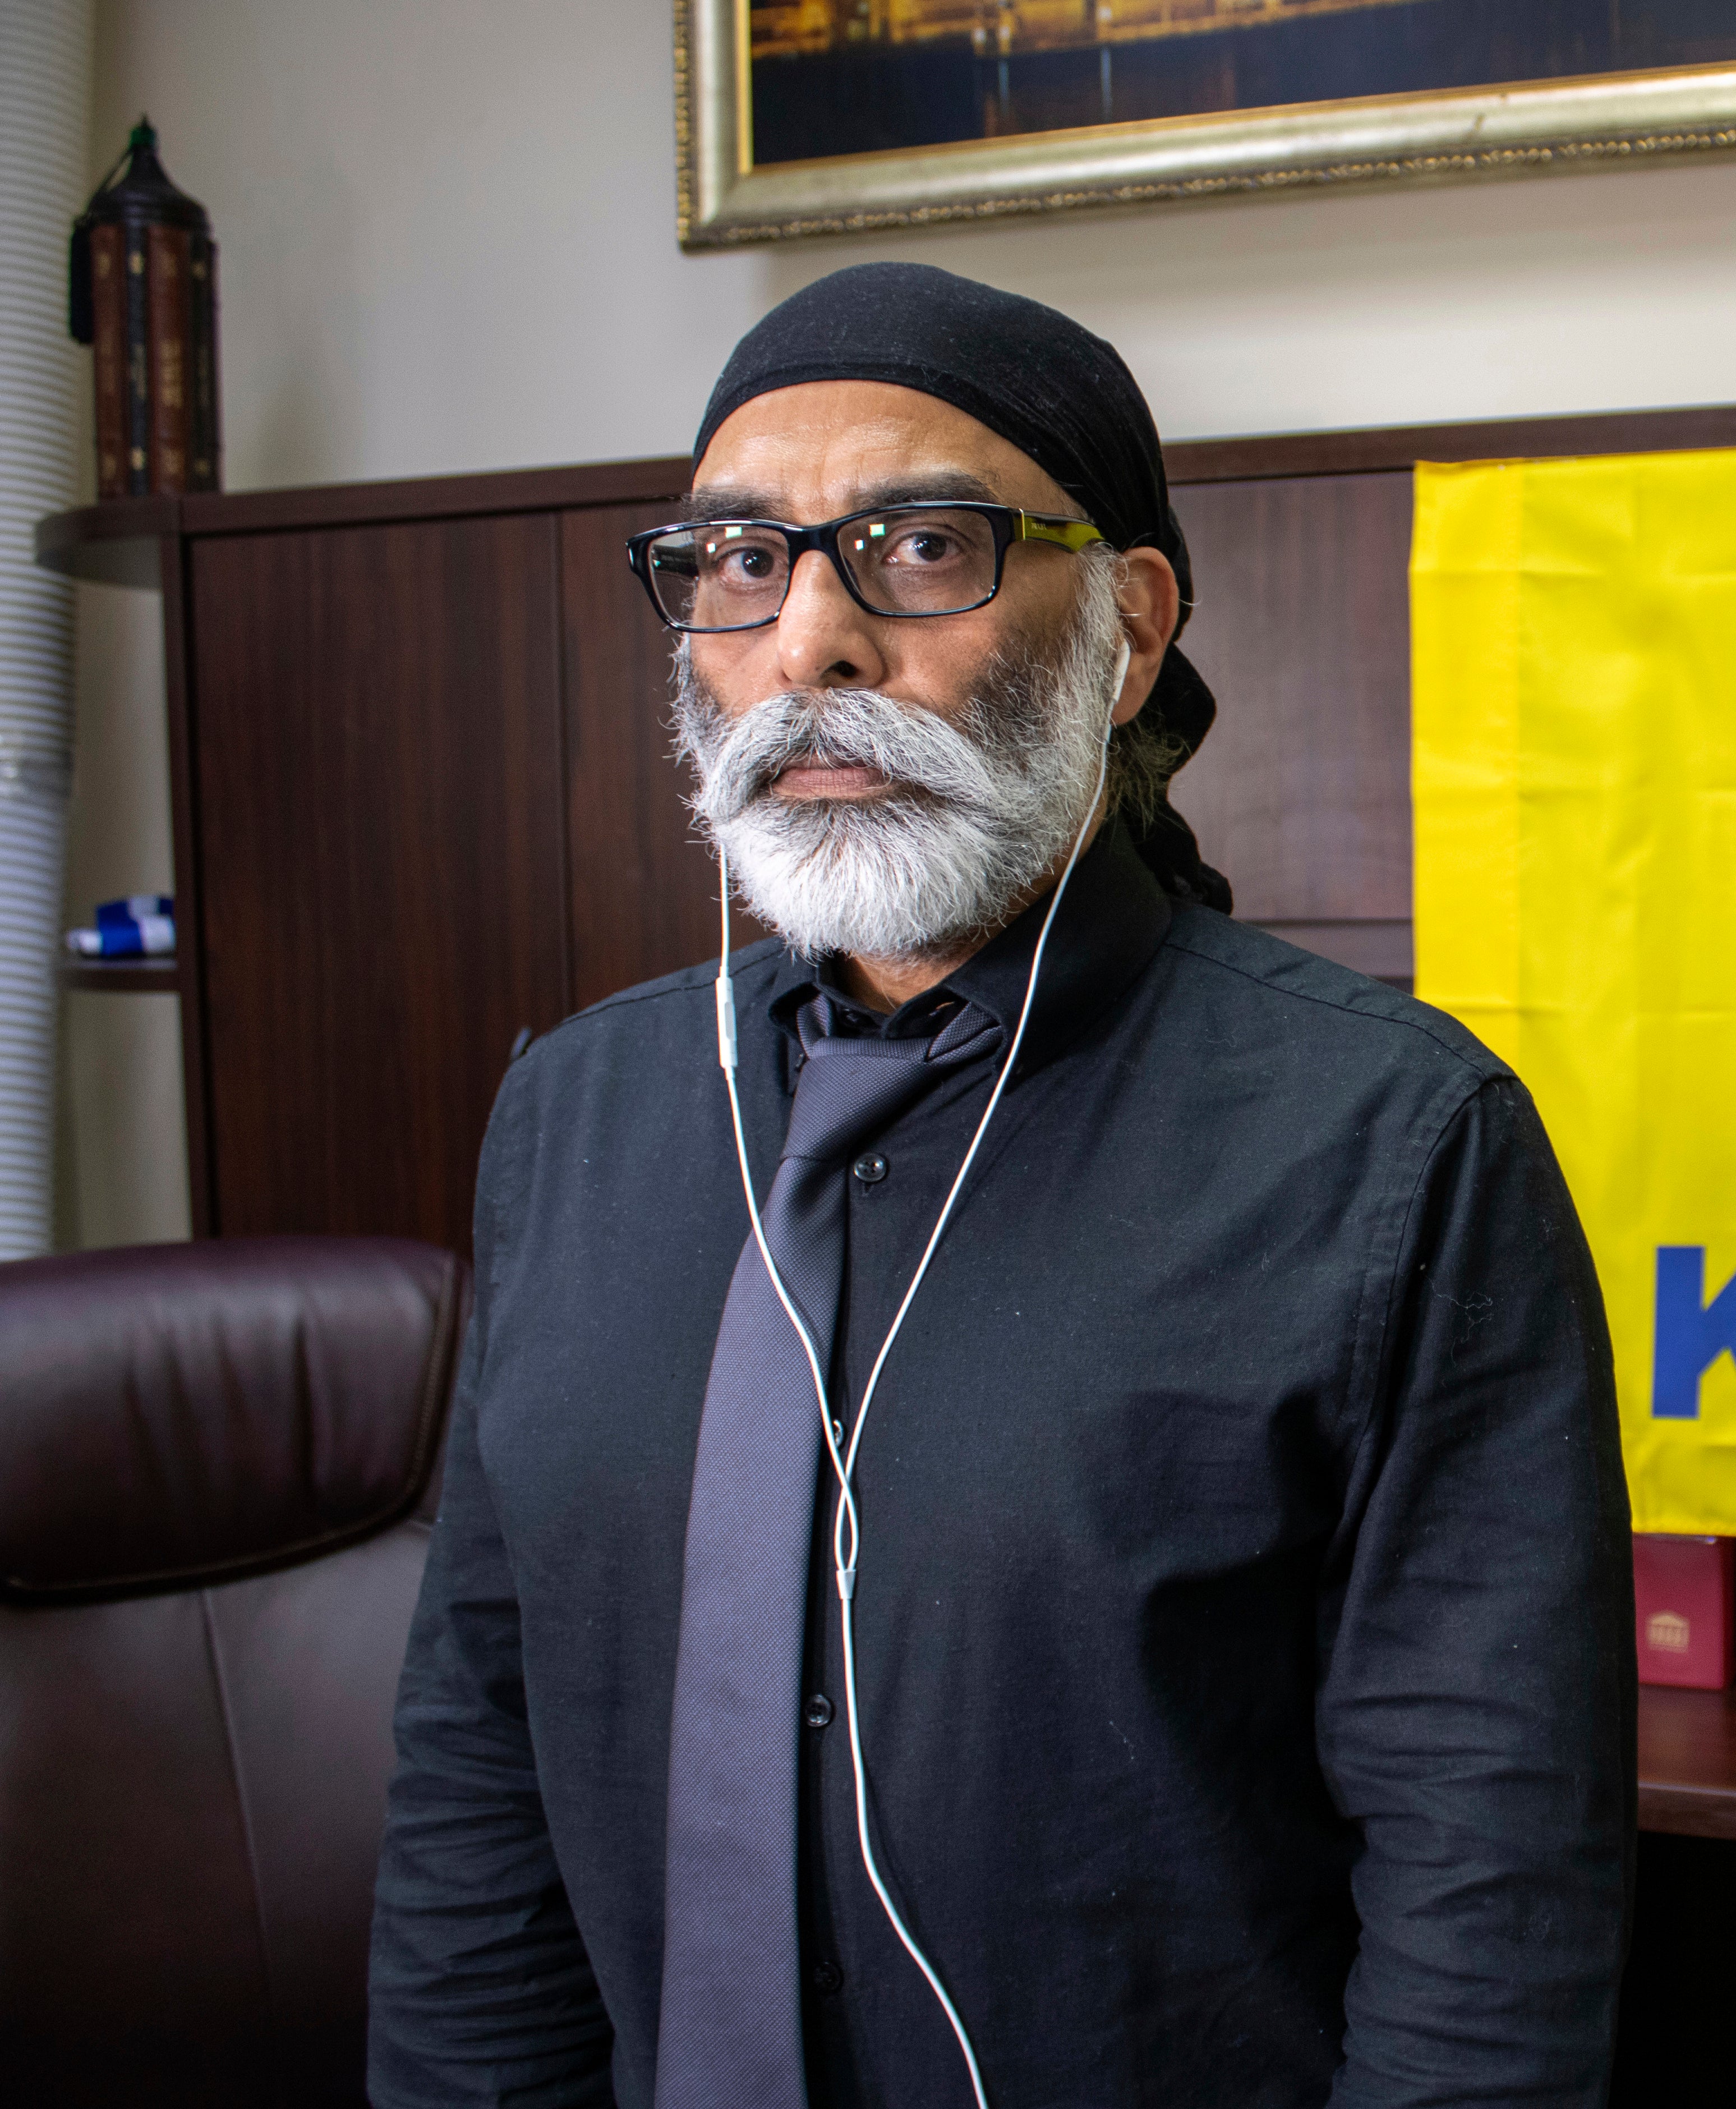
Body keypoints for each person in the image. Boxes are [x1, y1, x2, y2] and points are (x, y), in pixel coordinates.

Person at [366, 263, 1634, 2109]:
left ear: (1123, 633)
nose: (811, 643)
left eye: (919, 547)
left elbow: (1491, 1887)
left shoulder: (1390, 1144)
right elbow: (482, 1760)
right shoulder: (579, 1109)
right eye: (741, 561)